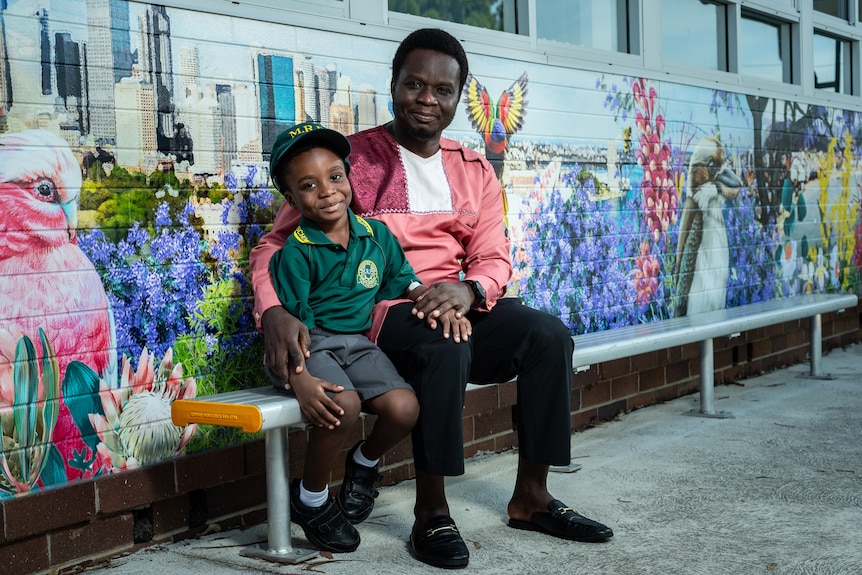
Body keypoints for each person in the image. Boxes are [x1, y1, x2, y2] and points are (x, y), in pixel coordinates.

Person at [250, 29, 614, 569]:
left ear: (457, 97)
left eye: (442, 90)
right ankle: (432, 513)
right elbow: (276, 243)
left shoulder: (474, 171)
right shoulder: (349, 162)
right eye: (414, 84)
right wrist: (273, 310)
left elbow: (494, 259)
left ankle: (532, 497)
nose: (427, 98)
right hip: (378, 312)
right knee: (445, 345)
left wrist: (468, 291)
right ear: (394, 85)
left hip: (452, 301)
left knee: (546, 335)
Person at [265, 121, 470, 553]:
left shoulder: (374, 236)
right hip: (312, 344)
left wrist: (426, 296)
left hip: (357, 342)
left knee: (405, 407)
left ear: (349, 177)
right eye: (309, 185)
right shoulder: (296, 253)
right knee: (344, 404)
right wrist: (299, 380)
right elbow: (293, 330)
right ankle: (312, 498)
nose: (328, 191)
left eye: (336, 177)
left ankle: (364, 461)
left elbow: (401, 277)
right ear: (291, 198)